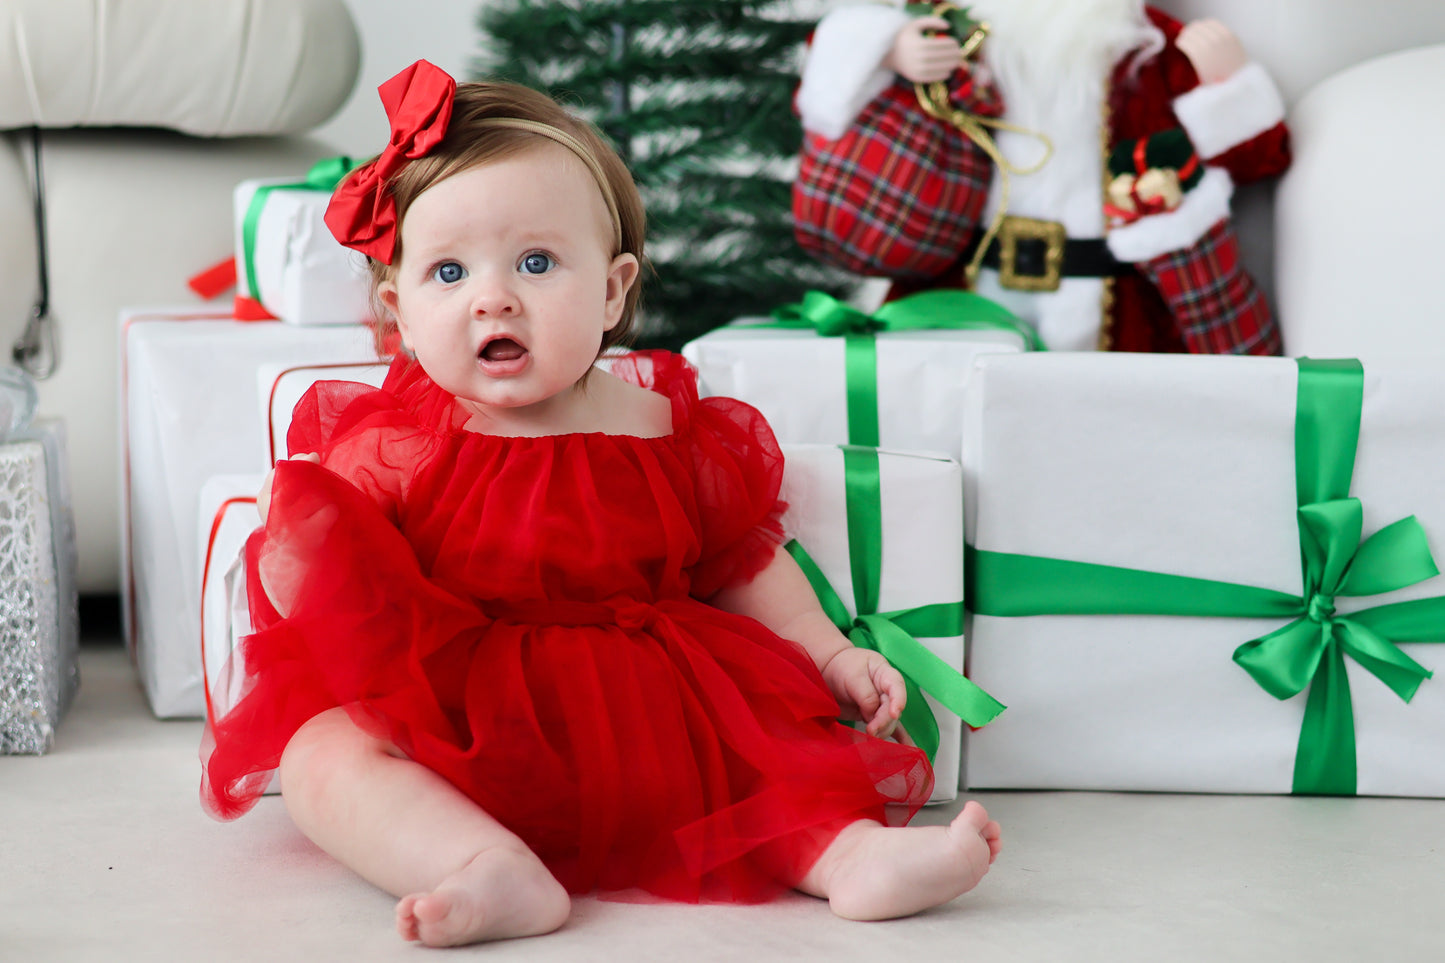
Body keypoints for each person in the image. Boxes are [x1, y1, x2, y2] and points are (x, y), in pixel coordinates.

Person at [200, 60, 1002, 948]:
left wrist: (828, 655)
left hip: (655, 709)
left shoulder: (660, 420)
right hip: (471, 722)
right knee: (325, 753)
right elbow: (334, 564)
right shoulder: (405, 439)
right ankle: (481, 863)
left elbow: (740, 558)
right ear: (397, 311)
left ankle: (846, 858)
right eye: (448, 272)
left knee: (764, 752)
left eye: (536, 262)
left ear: (614, 288)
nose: (492, 296)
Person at [794, 0, 1291, 354]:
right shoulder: (956, 23)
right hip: (966, 281)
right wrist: (890, 45)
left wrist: (1228, 86)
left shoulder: (1149, 46)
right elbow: (832, 59)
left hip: (1109, 298)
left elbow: (1259, 159)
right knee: (942, 419)